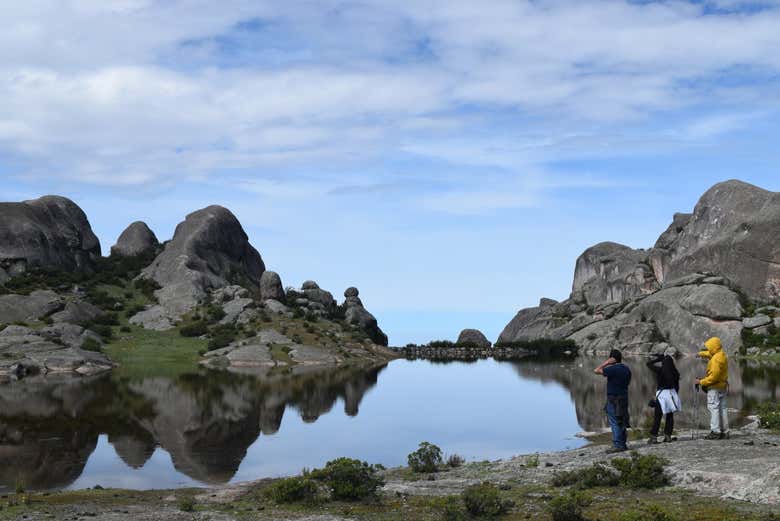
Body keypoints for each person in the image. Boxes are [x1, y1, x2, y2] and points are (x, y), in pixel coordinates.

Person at [594, 349, 632, 453]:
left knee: (614, 421)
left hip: (613, 399)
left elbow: (596, 370)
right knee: (622, 420)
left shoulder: (613, 369)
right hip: (624, 398)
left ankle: (618, 445)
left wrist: (606, 363)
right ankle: (622, 444)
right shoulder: (627, 369)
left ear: (612, 359)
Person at [696, 337, 729, 440]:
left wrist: (700, 382)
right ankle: (725, 431)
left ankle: (715, 432)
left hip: (714, 388)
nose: (708, 349)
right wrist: (700, 353)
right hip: (722, 386)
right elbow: (709, 354)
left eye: (709, 347)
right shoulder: (721, 355)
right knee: (722, 409)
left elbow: (713, 378)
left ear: (714, 347)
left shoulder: (715, 360)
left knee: (713, 408)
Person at [646, 353, 681, 444]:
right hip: (672, 394)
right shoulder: (675, 373)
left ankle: (654, 437)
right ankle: (667, 436)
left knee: (658, 416)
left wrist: (658, 359)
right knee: (670, 416)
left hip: (662, 395)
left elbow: (648, 364)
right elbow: (677, 386)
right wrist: (674, 396)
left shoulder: (660, 370)